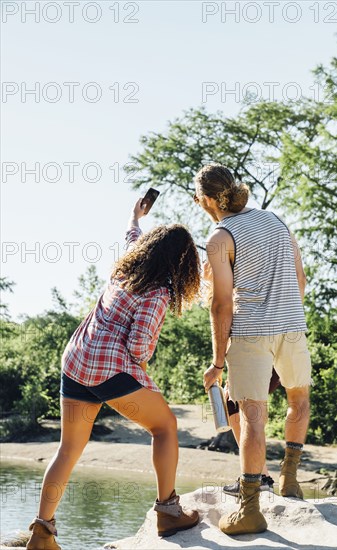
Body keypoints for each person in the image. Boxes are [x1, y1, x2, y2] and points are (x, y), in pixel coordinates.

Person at [26, 198, 201, 550]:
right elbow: (139, 348)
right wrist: (143, 365)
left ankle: (42, 531)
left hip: (76, 362)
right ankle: (168, 510)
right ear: (182, 263)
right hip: (110, 371)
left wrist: (135, 215)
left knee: (68, 449)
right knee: (164, 426)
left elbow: (132, 236)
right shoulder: (158, 292)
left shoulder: (125, 268)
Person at [196, 163, 312, 536]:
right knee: (299, 399)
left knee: (251, 417)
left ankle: (250, 510)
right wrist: (286, 313)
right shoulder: (275, 219)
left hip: (251, 333)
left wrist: (217, 362)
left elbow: (221, 305)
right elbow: (300, 278)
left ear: (208, 199)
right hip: (293, 326)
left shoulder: (220, 236)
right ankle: (289, 482)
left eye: (196, 195)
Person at [202, 260, 276, 495]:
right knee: (236, 407)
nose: (206, 264)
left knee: (245, 410)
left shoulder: (237, 291)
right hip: (259, 353)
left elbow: (229, 326)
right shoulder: (231, 289)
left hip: (261, 353)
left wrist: (218, 366)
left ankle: (257, 478)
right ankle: (261, 476)